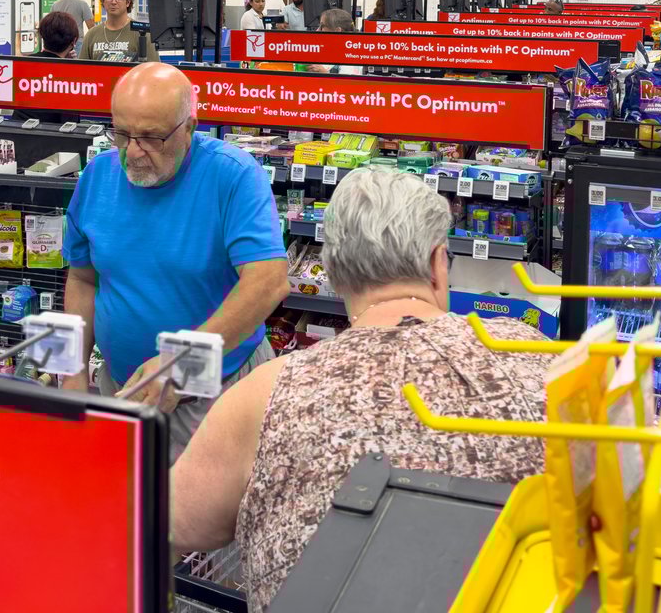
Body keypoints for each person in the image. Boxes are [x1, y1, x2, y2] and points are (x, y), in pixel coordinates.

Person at [171, 168, 551, 610]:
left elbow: (175, 521)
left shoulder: (268, 391)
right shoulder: (534, 353)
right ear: (438, 263)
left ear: (333, 272)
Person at [62, 63, 289, 458]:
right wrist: (73, 371)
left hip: (217, 397)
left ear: (189, 128)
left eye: (151, 137)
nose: (133, 152)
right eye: (122, 134)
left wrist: (181, 363)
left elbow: (268, 281)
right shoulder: (97, 176)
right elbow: (83, 279)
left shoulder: (232, 175)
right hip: (122, 391)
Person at [81, 0, 159, 63]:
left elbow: (154, 68)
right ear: (103, 1)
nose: (113, 2)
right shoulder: (91, 35)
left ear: (128, 2)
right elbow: (81, 68)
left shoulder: (142, 33)